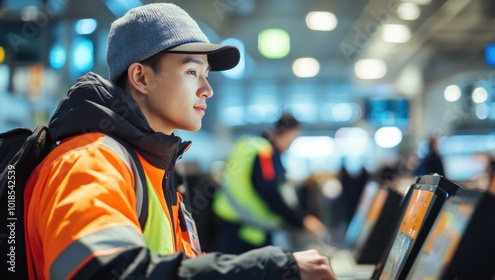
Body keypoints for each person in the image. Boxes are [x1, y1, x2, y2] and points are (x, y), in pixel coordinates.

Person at [23, 3, 337, 280]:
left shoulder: (153, 165)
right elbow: (106, 271)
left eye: (207, 75)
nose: (207, 90)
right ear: (141, 78)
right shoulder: (89, 163)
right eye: (191, 72)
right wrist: (269, 267)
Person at [212, 112, 328, 254]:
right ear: (288, 132)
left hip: (236, 228)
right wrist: (302, 219)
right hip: (249, 235)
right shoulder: (265, 153)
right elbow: (270, 192)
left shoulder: (254, 147)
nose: (292, 144)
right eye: (294, 138)